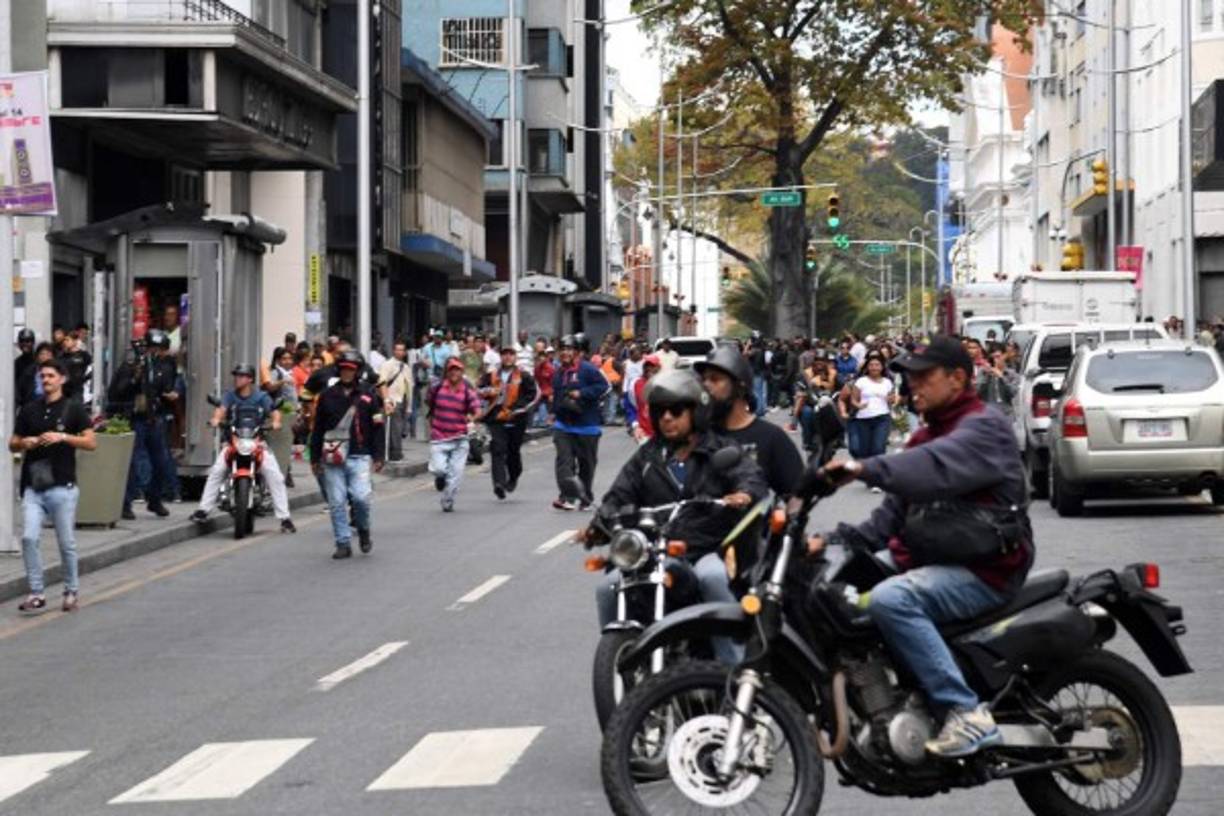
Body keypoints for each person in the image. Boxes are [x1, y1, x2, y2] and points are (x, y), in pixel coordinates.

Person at [808, 337, 1032, 757]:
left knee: (892, 599)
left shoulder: (984, 428)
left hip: (985, 569)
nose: (913, 385)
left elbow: (936, 465)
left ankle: (965, 712)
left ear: (957, 378)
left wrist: (862, 467)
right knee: (833, 586)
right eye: (910, 378)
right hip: (929, 558)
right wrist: (831, 542)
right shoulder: (923, 437)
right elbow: (888, 519)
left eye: (924, 377)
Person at [588, 369, 769, 663]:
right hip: (656, 550)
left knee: (712, 577)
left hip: (707, 548)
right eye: (660, 412)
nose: (667, 418)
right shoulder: (648, 456)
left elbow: (750, 477)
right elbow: (618, 495)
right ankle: (619, 662)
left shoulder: (720, 449)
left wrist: (744, 495)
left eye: (675, 410)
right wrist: (598, 524)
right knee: (607, 587)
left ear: (696, 412)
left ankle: (734, 669)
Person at [10, 359, 96, 614]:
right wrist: (24, 443)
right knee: (28, 537)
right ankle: (37, 593)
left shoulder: (73, 409)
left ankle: (71, 591)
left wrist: (63, 437)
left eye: (50, 375)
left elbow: (91, 442)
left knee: (66, 542)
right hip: (33, 486)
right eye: (43, 376)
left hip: (62, 486)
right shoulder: (29, 409)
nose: (46, 380)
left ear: (62, 379)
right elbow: (13, 442)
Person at [189, 364, 296, 533]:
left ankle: (285, 518)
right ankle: (203, 510)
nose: (237, 378)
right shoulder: (229, 396)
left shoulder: (261, 397)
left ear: (250, 379)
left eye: (241, 376)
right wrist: (216, 420)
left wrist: (276, 422)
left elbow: (274, 411)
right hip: (234, 442)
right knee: (217, 471)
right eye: (237, 375)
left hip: (257, 443)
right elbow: (221, 409)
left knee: (275, 476)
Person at [695, 346, 804, 498]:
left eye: (715, 379)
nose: (706, 386)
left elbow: (798, 496)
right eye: (703, 380)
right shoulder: (697, 436)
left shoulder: (771, 437)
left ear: (740, 386)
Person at [310, 351, 385, 557]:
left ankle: (363, 529)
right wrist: (314, 458)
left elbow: (378, 427)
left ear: (357, 371)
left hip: (360, 456)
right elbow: (318, 429)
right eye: (344, 369)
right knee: (336, 502)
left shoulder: (369, 395)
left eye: (351, 369)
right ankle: (342, 542)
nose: (347, 373)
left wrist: (379, 456)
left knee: (361, 499)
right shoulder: (327, 396)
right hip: (333, 458)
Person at [108, 331, 178, 520]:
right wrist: (135, 378)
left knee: (161, 461)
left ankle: (154, 499)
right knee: (133, 462)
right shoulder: (131, 365)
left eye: (161, 350)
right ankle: (126, 503)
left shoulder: (163, 365)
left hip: (154, 417)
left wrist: (169, 394)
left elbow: (165, 386)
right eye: (155, 349)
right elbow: (116, 391)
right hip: (135, 417)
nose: (158, 353)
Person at [551, 334, 608, 510]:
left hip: (586, 426)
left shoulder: (588, 369)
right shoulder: (558, 373)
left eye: (569, 349)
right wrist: (554, 412)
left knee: (586, 466)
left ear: (576, 352)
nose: (565, 353)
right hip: (563, 426)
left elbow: (603, 387)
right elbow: (557, 395)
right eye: (562, 349)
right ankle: (567, 497)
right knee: (564, 462)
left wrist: (582, 393)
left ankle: (585, 497)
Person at [478, 342, 538, 499]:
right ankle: (499, 483)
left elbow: (533, 395)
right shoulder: (491, 375)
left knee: (513, 451)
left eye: (511, 354)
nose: (508, 357)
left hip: (516, 419)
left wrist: (518, 408)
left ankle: (513, 476)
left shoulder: (524, 376)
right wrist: (489, 392)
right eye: (505, 354)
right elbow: (478, 390)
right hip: (496, 419)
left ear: (515, 357)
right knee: (497, 449)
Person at [427, 357, 481, 512]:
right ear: (447, 372)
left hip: (460, 438)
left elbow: (477, 409)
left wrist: (472, 418)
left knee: (455, 475)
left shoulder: (467, 391)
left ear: (462, 372)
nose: (454, 373)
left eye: (457, 370)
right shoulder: (437, 388)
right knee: (439, 470)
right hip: (439, 436)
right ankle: (441, 477)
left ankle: (448, 500)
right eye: (451, 369)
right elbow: (429, 403)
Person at [849, 354, 896, 475]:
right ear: (867, 367)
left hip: (882, 418)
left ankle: (878, 475)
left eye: (877, 365)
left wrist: (891, 399)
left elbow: (892, 400)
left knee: (878, 448)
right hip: (863, 419)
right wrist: (858, 405)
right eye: (871, 365)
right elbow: (853, 399)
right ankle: (869, 473)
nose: (874, 367)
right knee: (864, 451)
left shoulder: (888, 382)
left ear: (882, 367)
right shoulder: (861, 381)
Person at [377, 339, 413, 461]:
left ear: (405, 352)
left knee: (398, 428)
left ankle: (395, 452)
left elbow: (409, 387)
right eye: (397, 349)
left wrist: (409, 406)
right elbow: (382, 382)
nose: (399, 352)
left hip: (403, 400)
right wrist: (386, 400)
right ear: (393, 351)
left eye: (402, 350)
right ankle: (394, 453)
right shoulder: (387, 365)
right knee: (393, 428)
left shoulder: (407, 367)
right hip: (392, 400)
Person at [629, 354, 661, 441]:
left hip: (661, 431)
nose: (649, 368)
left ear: (658, 368)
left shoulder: (664, 383)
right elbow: (632, 406)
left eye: (652, 366)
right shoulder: (636, 383)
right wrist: (635, 425)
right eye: (647, 366)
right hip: (644, 431)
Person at [14, 327, 35, 396]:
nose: (24, 344)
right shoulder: (16, 363)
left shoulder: (38, 361)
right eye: (22, 341)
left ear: (33, 342)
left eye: (28, 341)